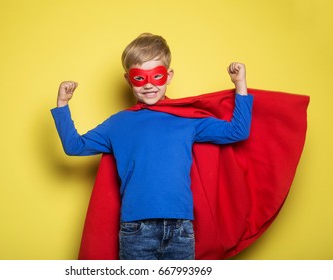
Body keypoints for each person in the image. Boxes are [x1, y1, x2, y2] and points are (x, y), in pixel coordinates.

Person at [51, 33, 253, 260]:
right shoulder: (118, 124)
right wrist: (62, 104)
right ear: (128, 79)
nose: (148, 85)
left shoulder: (188, 119)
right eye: (139, 78)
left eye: (156, 76)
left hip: (181, 229)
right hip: (136, 231)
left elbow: (237, 132)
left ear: (169, 76)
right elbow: (74, 146)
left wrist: (240, 84)